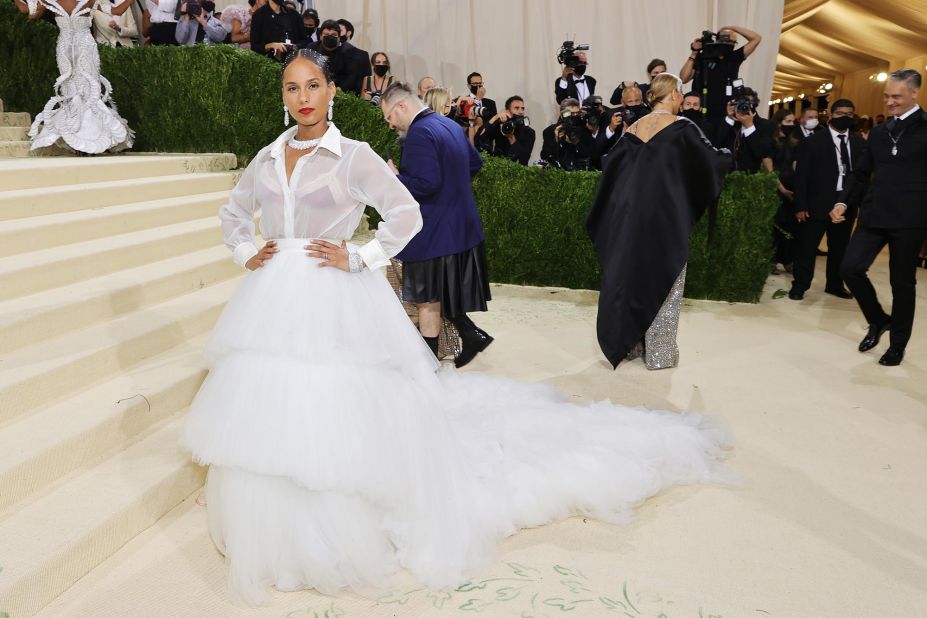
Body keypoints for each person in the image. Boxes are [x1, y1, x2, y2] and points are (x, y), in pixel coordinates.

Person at [181, 50, 735, 606]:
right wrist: (247, 251)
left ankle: (336, 531)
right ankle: (268, 528)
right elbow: (234, 212)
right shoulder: (269, 156)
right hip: (273, 297)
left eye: (313, 86)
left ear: (331, 92)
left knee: (338, 407)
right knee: (268, 404)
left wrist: (360, 256)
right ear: (284, 96)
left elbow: (405, 214)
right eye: (292, 87)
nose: (302, 97)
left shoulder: (354, 156)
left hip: (335, 295)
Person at [587, 73, 731, 369]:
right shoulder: (682, 127)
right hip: (664, 218)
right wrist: (728, 155)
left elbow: (609, 164)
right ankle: (659, 354)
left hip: (628, 217)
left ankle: (628, 343)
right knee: (666, 279)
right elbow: (711, 161)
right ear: (676, 94)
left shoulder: (634, 127)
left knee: (630, 275)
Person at [378, 82, 493, 367]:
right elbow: (474, 164)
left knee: (427, 301)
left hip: (432, 232)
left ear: (401, 106)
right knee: (438, 295)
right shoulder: (450, 125)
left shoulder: (419, 133)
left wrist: (393, 176)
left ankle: (426, 368)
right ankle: (470, 336)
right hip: (461, 228)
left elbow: (426, 184)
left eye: (389, 117)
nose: (391, 125)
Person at [833, 69, 927, 366]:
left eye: (896, 96)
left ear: (914, 93)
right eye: (887, 96)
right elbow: (861, 175)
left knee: (902, 284)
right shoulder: (878, 132)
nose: (890, 102)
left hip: (910, 218)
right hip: (874, 213)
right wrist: (843, 203)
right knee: (849, 268)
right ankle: (878, 319)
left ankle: (897, 345)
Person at [15, 0, 134, 154]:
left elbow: (27, 11)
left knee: (72, 91)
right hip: (84, 46)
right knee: (88, 90)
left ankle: (78, 139)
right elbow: (117, 10)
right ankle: (90, 139)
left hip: (65, 47)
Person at [789, 99, 867, 301]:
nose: (845, 118)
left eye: (849, 114)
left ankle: (834, 284)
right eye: (840, 113)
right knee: (807, 247)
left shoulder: (859, 143)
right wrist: (801, 205)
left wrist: (856, 204)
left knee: (840, 247)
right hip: (816, 202)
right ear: (831, 115)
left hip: (845, 203)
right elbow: (802, 175)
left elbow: (861, 177)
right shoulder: (814, 141)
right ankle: (800, 285)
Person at [680, 26, 762, 120]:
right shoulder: (704, 57)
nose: (729, 44)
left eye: (733, 42)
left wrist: (733, 28)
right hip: (702, 112)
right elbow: (684, 78)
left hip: (726, 114)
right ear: (718, 40)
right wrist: (694, 53)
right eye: (726, 39)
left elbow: (756, 38)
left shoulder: (734, 57)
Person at [769, 108, 800, 273]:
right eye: (787, 121)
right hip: (777, 189)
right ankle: (772, 261)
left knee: (790, 226)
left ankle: (788, 260)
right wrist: (782, 189)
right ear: (779, 122)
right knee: (776, 227)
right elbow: (769, 170)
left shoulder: (793, 142)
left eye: (792, 122)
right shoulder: (772, 142)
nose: (791, 125)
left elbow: (795, 164)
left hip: (791, 190)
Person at [540, 97, 595, 171]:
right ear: (562, 115)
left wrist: (576, 142)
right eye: (571, 114)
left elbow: (591, 153)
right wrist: (557, 140)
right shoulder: (550, 131)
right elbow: (544, 156)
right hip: (558, 173)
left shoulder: (584, 129)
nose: (575, 116)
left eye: (577, 113)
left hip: (580, 173)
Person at [481, 95, 535, 165]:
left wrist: (511, 137)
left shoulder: (529, 132)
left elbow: (523, 159)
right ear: (508, 111)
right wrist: (494, 118)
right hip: (498, 168)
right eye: (516, 108)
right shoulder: (500, 126)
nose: (521, 111)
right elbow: (481, 139)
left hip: (519, 172)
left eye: (522, 108)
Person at [335, 18, 371, 95]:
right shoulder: (330, 53)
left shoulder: (362, 55)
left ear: (348, 33)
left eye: (340, 31)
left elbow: (367, 80)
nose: (337, 34)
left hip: (355, 100)